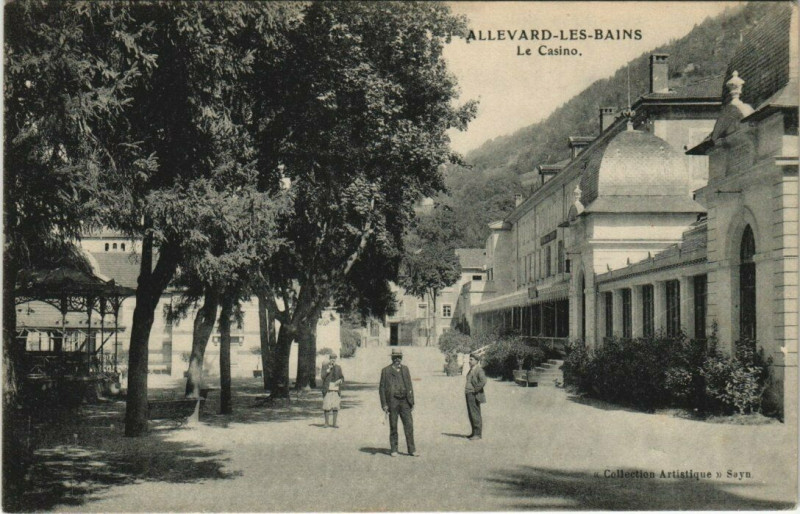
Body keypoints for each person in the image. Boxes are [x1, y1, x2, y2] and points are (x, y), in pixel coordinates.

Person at [378, 348, 418, 457]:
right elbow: (381, 389)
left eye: (399, 357)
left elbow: (409, 385)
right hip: (393, 402)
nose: (397, 359)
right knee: (393, 426)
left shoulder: (406, 369)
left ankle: (412, 450)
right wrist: (384, 404)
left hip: (405, 402)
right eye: (395, 357)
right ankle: (394, 449)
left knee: (409, 425)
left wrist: (412, 401)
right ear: (392, 358)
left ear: (402, 358)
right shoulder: (385, 371)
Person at [465, 352, 487, 440]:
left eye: (471, 359)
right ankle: (474, 432)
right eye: (469, 359)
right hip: (468, 393)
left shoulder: (479, 370)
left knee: (475, 413)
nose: (469, 361)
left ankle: (478, 434)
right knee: (471, 413)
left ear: (477, 361)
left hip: (473, 394)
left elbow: (483, 381)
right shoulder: (472, 369)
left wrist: (475, 390)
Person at [321, 354, 344, 428]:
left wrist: (340, 381)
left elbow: (342, 377)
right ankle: (326, 423)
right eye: (331, 359)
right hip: (327, 389)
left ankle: (334, 423)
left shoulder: (338, 367)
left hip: (336, 389)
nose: (333, 361)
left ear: (336, 360)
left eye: (334, 359)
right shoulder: (325, 367)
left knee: (335, 406)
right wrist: (327, 371)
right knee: (326, 406)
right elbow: (322, 377)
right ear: (329, 359)